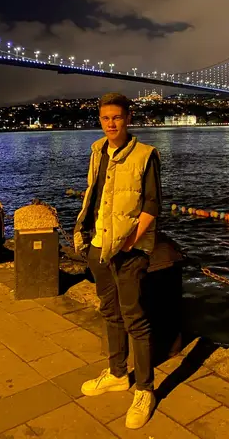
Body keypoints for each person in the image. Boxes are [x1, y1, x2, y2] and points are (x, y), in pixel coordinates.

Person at [74, 92, 162, 430]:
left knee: (134, 318)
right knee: (109, 312)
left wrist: (130, 243)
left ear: (128, 118)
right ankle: (117, 373)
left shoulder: (146, 155)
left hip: (129, 250)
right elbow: (93, 195)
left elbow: (152, 205)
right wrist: (83, 234)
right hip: (98, 246)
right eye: (105, 118)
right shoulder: (97, 150)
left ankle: (145, 390)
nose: (111, 124)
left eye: (117, 117)